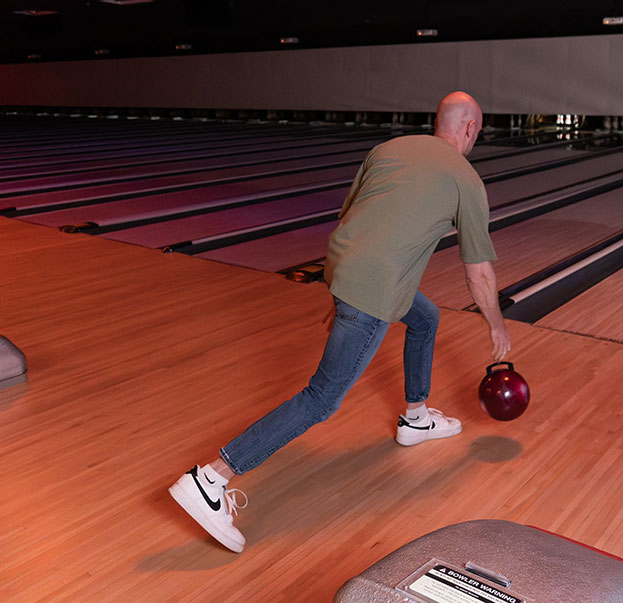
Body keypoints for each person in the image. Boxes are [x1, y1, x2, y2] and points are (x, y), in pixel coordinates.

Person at [169, 91, 511, 553]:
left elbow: (351, 215)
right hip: (372, 288)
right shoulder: (465, 179)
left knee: (424, 318)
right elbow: (479, 271)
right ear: (470, 129)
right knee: (322, 399)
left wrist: (343, 291)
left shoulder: (388, 150)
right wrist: (496, 325)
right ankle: (210, 479)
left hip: (344, 267)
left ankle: (415, 418)